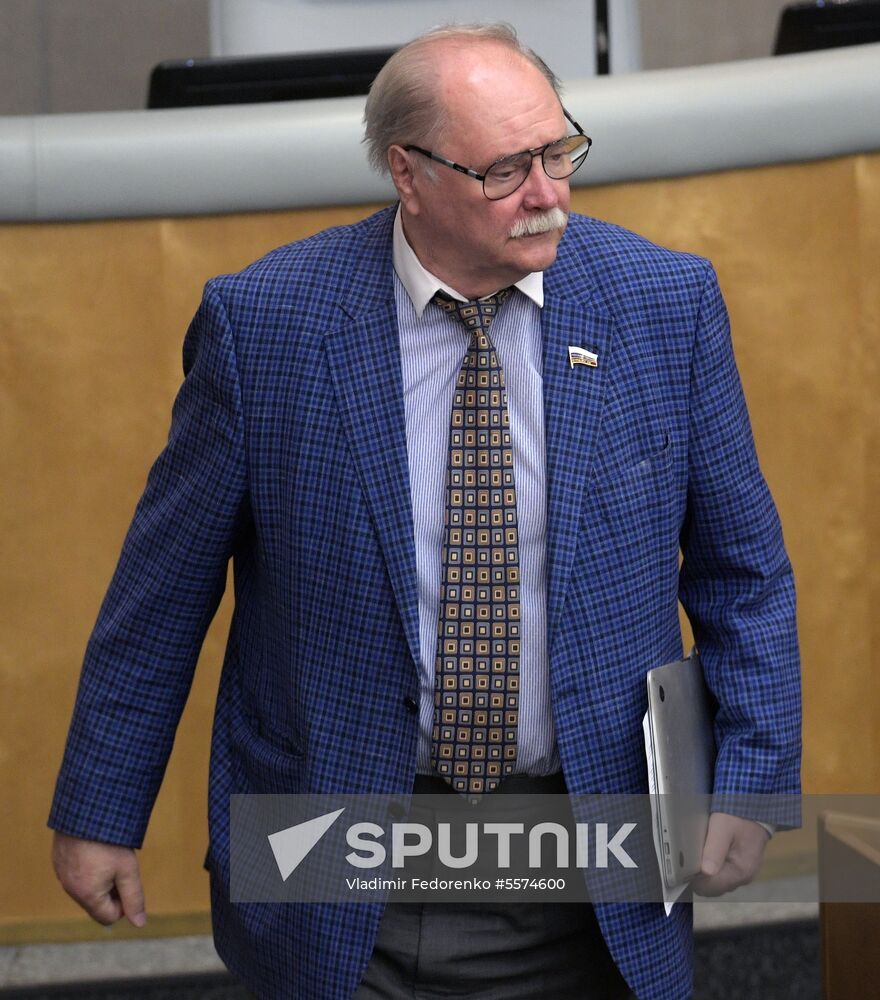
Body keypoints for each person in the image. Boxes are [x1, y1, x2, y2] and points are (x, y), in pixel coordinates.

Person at [49, 23, 801, 1000]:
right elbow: (161, 600)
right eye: (505, 169)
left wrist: (748, 775)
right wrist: (101, 810)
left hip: (587, 848)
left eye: (557, 150)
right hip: (338, 842)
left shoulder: (663, 304)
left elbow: (743, 574)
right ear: (409, 173)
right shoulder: (265, 326)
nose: (547, 193)